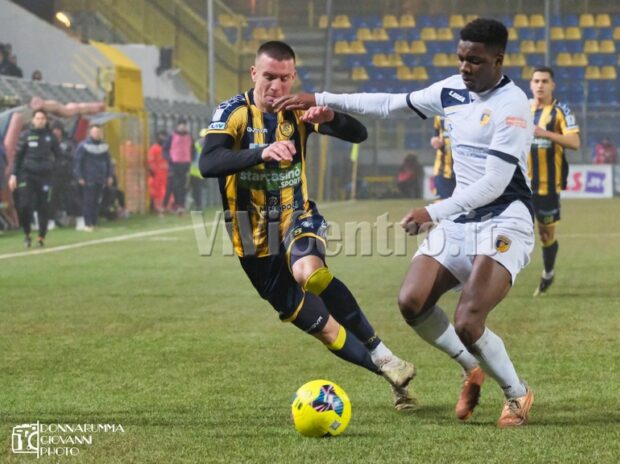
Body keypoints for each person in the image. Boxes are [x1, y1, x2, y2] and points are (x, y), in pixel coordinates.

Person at [275, 18, 536, 427]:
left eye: (475, 61)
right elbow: (389, 103)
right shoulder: (451, 90)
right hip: (459, 219)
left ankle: (517, 394)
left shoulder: (514, 106)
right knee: (411, 303)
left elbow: (494, 183)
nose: (465, 68)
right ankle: (472, 368)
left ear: (498, 60)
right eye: (461, 59)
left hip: (505, 219)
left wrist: (432, 212)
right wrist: (320, 97)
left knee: (469, 320)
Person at [199, 40, 417, 410]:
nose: (276, 86)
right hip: (253, 243)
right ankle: (390, 374)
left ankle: (381, 351)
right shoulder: (233, 113)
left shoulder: (299, 111)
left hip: (296, 216)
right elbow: (208, 163)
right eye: (269, 76)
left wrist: (330, 118)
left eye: (284, 78)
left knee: (310, 273)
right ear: (254, 73)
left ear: (293, 76)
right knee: (326, 330)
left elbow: (358, 133)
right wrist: (261, 153)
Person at [527, 66, 580, 296]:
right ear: (530, 84)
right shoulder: (521, 109)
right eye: (536, 81)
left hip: (548, 186)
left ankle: (548, 273)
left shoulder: (561, 110)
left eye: (544, 81)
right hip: (520, 186)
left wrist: (545, 133)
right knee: (510, 230)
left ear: (552, 85)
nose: (540, 85)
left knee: (545, 235)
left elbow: (575, 142)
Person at [8, 109, 60, 247]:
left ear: (46, 120)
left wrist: (53, 170)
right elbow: (17, 157)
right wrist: (13, 175)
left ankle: (41, 236)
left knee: (44, 207)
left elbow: (59, 156)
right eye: (37, 118)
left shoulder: (51, 137)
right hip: (27, 175)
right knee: (24, 205)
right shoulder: (25, 135)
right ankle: (27, 233)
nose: (40, 120)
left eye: (43, 118)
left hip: (45, 176)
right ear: (33, 120)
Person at [74, 124, 113, 231]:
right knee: (88, 201)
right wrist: (79, 177)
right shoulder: (83, 146)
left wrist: (109, 175)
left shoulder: (104, 146)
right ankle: (87, 224)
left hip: (100, 178)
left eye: (99, 132)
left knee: (97, 201)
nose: (97, 134)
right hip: (88, 178)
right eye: (95, 132)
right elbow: (78, 162)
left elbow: (108, 163)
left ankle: (94, 223)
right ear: (90, 133)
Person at [163, 120, 195, 213]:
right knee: (174, 185)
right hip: (174, 165)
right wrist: (169, 158)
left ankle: (181, 206)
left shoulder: (190, 137)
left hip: (185, 165)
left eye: (184, 125)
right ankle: (172, 205)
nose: (183, 127)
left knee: (183, 186)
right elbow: (165, 149)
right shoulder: (171, 136)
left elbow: (193, 149)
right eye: (181, 125)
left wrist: (190, 158)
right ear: (177, 126)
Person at [50, 124, 76, 226]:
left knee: (70, 197)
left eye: (57, 130)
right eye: (53, 130)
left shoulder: (68, 143)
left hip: (66, 175)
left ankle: (72, 217)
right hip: (52, 175)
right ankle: (51, 220)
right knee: (52, 198)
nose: (55, 132)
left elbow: (73, 156)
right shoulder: (47, 143)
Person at [431, 116, 456, 199]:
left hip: (461, 168)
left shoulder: (466, 112)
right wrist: (435, 141)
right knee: (443, 201)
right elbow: (436, 136)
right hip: (442, 168)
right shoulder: (439, 116)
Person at [147, 130, 169, 213]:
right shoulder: (154, 148)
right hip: (157, 174)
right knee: (157, 191)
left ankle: (165, 206)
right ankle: (157, 207)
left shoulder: (165, 148)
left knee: (165, 190)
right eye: (161, 136)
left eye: (164, 136)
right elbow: (150, 160)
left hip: (165, 173)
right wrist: (152, 170)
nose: (163, 138)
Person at [189, 129, 206, 210]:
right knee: (195, 190)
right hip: (192, 173)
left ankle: (198, 205)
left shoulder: (208, 148)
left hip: (201, 173)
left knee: (198, 191)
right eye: (203, 137)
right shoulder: (195, 146)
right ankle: (196, 205)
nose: (204, 139)